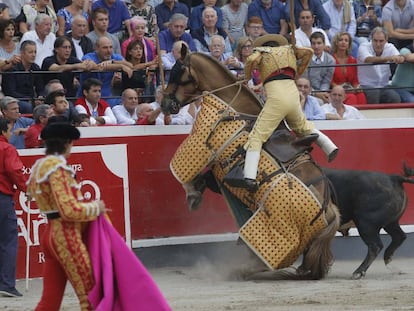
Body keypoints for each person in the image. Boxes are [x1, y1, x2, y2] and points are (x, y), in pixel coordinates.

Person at [226, 34, 338, 191]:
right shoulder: (289, 51)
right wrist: (298, 71)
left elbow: (250, 60)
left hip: (277, 99)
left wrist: (247, 76)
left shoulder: (262, 53)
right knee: (302, 126)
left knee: (257, 136)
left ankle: (249, 176)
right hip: (293, 95)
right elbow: (308, 52)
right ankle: (329, 146)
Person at [26, 117, 107, 310]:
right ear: (67, 143)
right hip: (66, 237)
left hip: (49, 236)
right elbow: (68, 209)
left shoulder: (39, 167)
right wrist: (96, 207)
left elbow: (30, 196)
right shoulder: (58, 169)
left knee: (49, 301)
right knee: (91, 297)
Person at [0, 118, 27, 298]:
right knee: (8, 241)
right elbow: (14, 171)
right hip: (2, 198)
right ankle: (7, 284)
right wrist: (27, 188)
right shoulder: (6, 148)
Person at [78, 36, 133, 106]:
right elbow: (97, 67)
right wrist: (121, 66)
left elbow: (130, 65)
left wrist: (113, 62)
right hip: (86, 99)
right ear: (96, 48)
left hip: (107, 98)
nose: (109, 51)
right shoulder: (88, 57)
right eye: (105, 48)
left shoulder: (114, 57)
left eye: (110, 47)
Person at [357, 27, 403, 104]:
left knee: (395, 98)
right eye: (375, 41)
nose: (378, 44)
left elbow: (399, 57)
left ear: (386, 40)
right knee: (374, 94)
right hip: (366, 85)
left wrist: (400, 58)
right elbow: (368, 59)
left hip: (383, 86)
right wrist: (390, 58)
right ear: (371, 39)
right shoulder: (363, 46)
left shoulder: (390, 46)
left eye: (381, 41)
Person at [2, 40, 45, 114]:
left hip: (32, 100)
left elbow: (40, 87)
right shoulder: (12, 68)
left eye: (35, 52)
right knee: (28, 107)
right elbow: (10, 92)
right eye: (30, 52)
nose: (34, 55)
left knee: (46, 108)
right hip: (15, 100)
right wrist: (30, 99)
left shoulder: (36, 68)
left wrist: (40, 97)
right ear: (22, 53)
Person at [331, 32, 367, 105]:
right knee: (351, 97)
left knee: (361, 95)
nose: (343, 42)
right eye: (341, 40)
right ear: (336, 43)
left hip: (349, 88)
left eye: (346, 40)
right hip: (336, 90)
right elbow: (330, 81)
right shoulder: (330, 59)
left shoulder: (353, 60)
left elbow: (355, 80)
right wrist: (341, 89)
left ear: (349, 44)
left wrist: (357, 87)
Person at [302, 31, 335, 104]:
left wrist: (322, 93)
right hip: (306, 91)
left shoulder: (331, 61)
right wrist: (316, 94)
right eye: (313, 43)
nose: (316, 46)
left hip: (322, 92)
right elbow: (304, 81)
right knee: (319, 102)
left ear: (324, 44)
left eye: (319, 43)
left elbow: (326, 81)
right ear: (310, 45)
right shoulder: (305, 59)